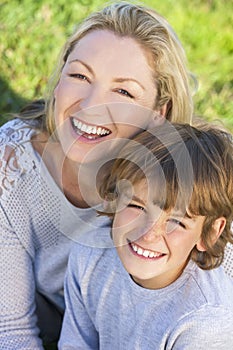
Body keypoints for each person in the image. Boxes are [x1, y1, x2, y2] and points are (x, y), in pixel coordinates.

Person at [0, 2, 194, 349]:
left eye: (123, 91)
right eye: (80, 76)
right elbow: (11, 329)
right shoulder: (12, 165)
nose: (91, 104)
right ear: (58, 81)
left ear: (158, 113)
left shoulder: (190, 184)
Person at [58, 122, 233, 349]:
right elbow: (76, 344)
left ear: (209, 234)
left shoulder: (204, 323)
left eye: (176, 222)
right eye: (137, 207)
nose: (149, 234)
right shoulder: (89, 256)